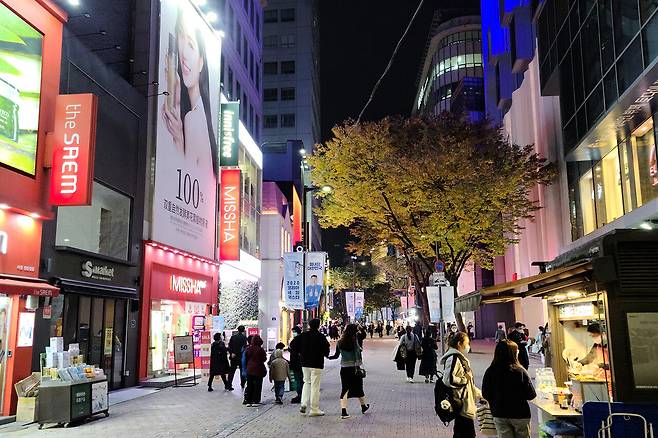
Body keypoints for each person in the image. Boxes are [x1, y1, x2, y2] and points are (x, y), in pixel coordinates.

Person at [482, 340, 536, 438]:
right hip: (520, 414)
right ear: (513, 353)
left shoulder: (490, 371)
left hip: (499, 413)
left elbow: (485, 393)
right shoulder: (520, 371)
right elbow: (531, 395)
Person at [440, 332, 482, 438]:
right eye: (467, 343)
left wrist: (480, 394)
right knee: (466, 434)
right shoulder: (454, 358)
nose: (468, 346)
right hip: (461, 404)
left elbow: (468, 385)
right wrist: (465, 379)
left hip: (464, 404)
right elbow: (449, 380)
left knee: (462, 433)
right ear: (459, 344)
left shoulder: (459, 358)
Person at [328, 324, 370, 419]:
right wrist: (360, 327)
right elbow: (362, 338)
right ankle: (363, 406)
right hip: (355, 369)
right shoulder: (355, 341)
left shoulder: (340, 342)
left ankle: (344, 411)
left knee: (345, 389)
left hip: (344, 369)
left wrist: (329, 357)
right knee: (359, 388)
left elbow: (336, 356)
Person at [296, 318, 330, 416]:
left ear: (309, 325)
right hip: (317, 363)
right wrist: (325, 354)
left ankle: (303, 403)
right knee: (315, 386)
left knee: (306, 382)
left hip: (305, 363)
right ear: (318, 326)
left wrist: (301, 352)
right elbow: (326, 348)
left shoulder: (303, 335)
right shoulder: (320, 336)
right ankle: (314, 409)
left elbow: (293, 345)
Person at [244, 335, 267, 407]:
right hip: (258, 369)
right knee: (257, 385)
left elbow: (246, 358)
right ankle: (256, 401)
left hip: (249, 369)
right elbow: (264, 359)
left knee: (249, 385)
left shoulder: (248, 349)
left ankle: (248, 401)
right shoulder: (260, 350)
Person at [228, 326, 248, 390]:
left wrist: (232, 353)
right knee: (242, 370)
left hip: (234, 357)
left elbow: (229, 346)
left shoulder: (233, 337)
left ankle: (229, 384)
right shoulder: (244, 338)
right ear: (243, 330)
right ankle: (242, 383)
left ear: (238, 330)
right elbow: (244, 348)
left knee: (232, 371)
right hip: (241, 357)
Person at [288, 326, 304, 403]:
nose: (293, 333)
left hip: (296, 364)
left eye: (294, 332)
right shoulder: (304, 340)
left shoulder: (294, 341)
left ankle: (300, 395)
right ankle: (303, 394)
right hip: (303, 363)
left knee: (298, 380)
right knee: (302, 379)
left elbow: (294, 352)